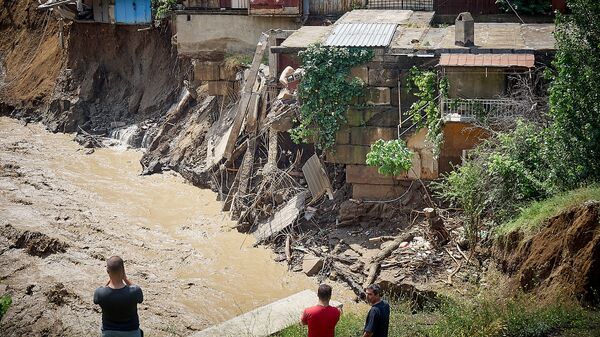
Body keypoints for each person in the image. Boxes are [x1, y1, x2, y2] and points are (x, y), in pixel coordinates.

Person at [93, 256, 144, 337]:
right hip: (132, 332)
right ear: (123, 270)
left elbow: (98, 297)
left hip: (108, 333)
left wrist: (111, 279)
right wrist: (125, 278)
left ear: (107, 271)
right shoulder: (135, 291)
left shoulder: (100, 293)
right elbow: (137, 292)